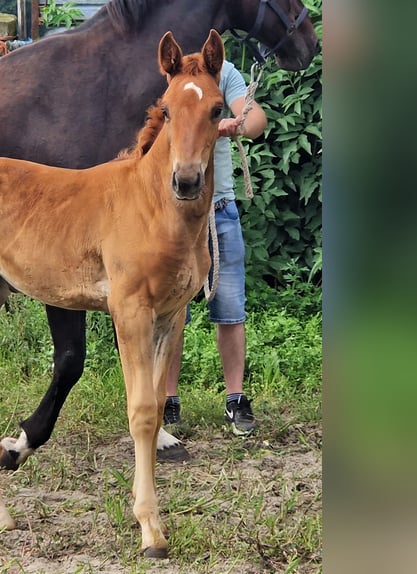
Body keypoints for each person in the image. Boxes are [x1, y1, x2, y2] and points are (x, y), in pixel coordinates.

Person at [162, 59, 267, 437]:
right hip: (172, 213)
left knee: (231, 308)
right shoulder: (169, 71)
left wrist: (233, 123)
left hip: (218, 207)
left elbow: (255, 121)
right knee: (173, 311)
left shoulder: (224, 72)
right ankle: (167, 400)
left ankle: (235, 399)